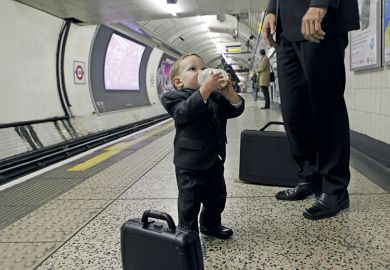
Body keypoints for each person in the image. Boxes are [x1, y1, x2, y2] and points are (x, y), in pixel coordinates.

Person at [262, 0, 360, 220]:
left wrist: (320, 3)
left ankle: (335, 189)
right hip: (286, 28)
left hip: (318, 20)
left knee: (326, 106)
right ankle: (309, 176)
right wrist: (271, 9)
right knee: (293, 109)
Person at [161, 53, 245, 238]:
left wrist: (229, 93)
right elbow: (183, 113)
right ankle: (187, 232)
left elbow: (235, 109)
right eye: (193, 69)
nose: (202, 72)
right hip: (189, 164)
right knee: (189, 201)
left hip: (214, 158)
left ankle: (211, 225)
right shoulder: (173, 98)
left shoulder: (216, 97)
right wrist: (204, 90)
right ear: (178, 81)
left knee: (217, 197)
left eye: (203, 67)